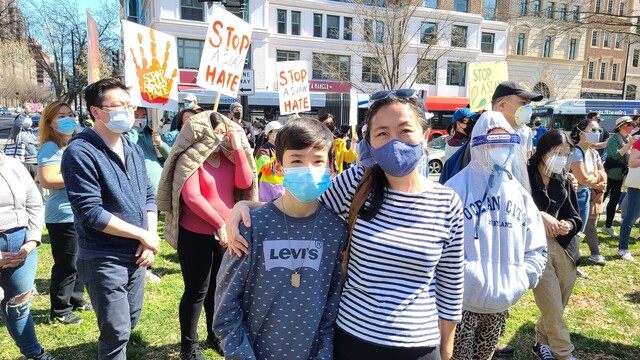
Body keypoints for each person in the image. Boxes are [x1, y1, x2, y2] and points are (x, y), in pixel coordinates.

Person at [227, 89, 465, 360]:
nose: (394, 142)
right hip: (353, 339)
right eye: (383, 133)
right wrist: (245, 207)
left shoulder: (447, 202)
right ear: (370, 143)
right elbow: (300, 206)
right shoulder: (357, 183)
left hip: (420, 347)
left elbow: (451, 284)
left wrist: (447, 349)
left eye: (405, 131)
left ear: (425, 136)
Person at [213, 117, 347, 359]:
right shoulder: (251, 227)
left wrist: (324, 354)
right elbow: (226, 308)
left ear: (331, 168)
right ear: (278, 168)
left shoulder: (335, 231)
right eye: (297, 160)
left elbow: (332, 305)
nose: (308, 169)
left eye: (318, 161)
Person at [61, 78, 159, 360]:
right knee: (115, 331)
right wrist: (142, 236)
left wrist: (149, 238)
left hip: (138, 255)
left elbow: (148, 197)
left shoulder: (132, 148)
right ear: (96, 111)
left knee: (129, 322)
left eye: (129, 105)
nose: (127, 112)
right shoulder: (80, 152)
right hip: (103, 256)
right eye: (118, 106)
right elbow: (91, 212)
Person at [445, 111, 547, 360]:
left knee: (485, 355)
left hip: (501, 302)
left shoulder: (520, 196)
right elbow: (440, 244)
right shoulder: (456, 189)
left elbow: (536, 248)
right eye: (493, 142)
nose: (499, 149)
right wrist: (465, 276)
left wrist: (521, 278)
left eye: (505, 143)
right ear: (478, 144)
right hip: (461, 303)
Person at [157, 110, 257, 360]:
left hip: (226, 234)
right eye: (217, 132)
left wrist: (237, 146)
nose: (220, 137)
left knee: (219, 289)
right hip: (196, 234)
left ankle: (215, 336)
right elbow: (192, 197)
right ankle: (188, 346)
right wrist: (218, 222)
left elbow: (245, 182)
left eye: (225, 132)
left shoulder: (227, 157)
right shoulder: (190, 159)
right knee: (197, 290)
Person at [527, 129, 582, 360]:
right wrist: (539, 214)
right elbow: (515, 209)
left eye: (566, 153)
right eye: (557, 152)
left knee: (557, 304)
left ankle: (541, 343)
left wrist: (568, 225)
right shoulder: (524, 175)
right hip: (535, 248)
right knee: (550, 301)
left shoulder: (563, 178)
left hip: (565, 248)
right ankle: (564, 353)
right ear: (544, 151)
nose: (562, 157)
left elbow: (576, 217)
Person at [37, 101, 90, 325]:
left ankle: (76, 298)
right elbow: (47, 179)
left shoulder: (75, 142)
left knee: (80, 261)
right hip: (62, 215)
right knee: (66, 263)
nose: (67, 118)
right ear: (50, 122)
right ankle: (59, 309)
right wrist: (82, 177)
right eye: (61, 115)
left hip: (79, 212)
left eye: (70, 114)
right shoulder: (50, 147)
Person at [1, 151, 54, 360]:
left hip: (22, 246)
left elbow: (34, 203)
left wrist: (32, 240)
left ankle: (34, 354)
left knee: (18, 304)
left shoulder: (13, 165)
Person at [440, 81, 544, 185]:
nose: (528, 109)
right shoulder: (480, 145)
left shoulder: (512, 141)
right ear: (502, 105)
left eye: (528, 104)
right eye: (523, 103)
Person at [569, 119, 607, 265]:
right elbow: (583, 179)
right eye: (593, 130)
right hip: (574, 195)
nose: (597, 133)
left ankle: (574, 263)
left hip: (585, 194)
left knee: (579, 231)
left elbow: (600, 175)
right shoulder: (576, 152)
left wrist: (593, 179)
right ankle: (570, 263)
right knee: (573, 231)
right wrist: (595, 180)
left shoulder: (591, 152)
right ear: (581, 132)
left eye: (599, 130)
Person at [602, 116, 636, 238]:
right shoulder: (613, 139)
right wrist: (630, 145)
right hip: (611, 173)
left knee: (614, 200)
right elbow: (616, 155)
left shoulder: (628, 138)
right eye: (629, 124)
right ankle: (591, 223)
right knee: (601, 198)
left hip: (621, 174)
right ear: (621, 126)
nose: (631, 127)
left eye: (632, 124)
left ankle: (608, 225)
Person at [617, 132, 640, 262]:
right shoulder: (638, 142)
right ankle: (622, 249)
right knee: (630, 218)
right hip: (637, 187)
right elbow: (632, 162)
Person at [256, 120, 285, 202]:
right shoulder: (263, 150)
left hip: (281, 189)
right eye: (276, 131)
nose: (279, 133)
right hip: (267, 190)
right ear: (269, 133)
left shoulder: (281, 149)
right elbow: (266, 169)